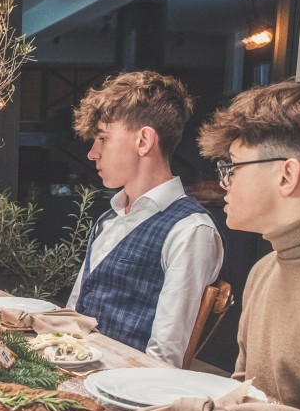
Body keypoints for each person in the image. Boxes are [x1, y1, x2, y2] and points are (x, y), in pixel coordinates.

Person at [197, 77, 300, 411]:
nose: (223, 182)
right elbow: (244, 397)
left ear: (288, 175)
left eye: (232, 167)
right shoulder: (266, 268)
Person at [65, 71, 224, 366]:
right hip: (74, 370)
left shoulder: (189, 229)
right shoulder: (109, 217)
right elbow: (75, 313)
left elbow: (165, 358)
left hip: (124, 390)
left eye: (102, 139)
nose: (91, 153)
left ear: (144, 141)